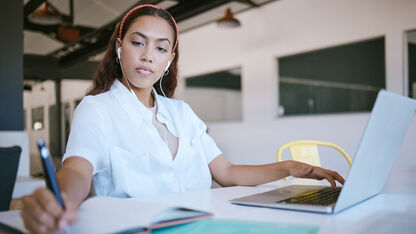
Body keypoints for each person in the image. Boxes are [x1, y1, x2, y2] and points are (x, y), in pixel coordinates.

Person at [20, 4, 344, 234]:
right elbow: (77, 169)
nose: (148, 55)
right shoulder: (97, 109)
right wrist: (60, 199)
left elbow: (227, 172)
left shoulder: (181, 113)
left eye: (161, 49)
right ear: (119, 48)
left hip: (205, 225)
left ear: (170, 58)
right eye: (137, 43)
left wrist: (290, 168)